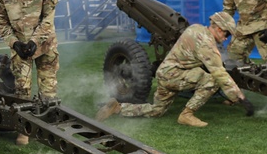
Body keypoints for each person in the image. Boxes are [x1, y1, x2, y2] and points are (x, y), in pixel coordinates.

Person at [96, 12, 253, 128]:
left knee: (157, 110)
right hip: (174, 76)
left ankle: (118, 107)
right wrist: (240, 97)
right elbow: (219, 72)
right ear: (219, 28)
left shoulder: (196, 28)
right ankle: (187, 115)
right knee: (212, 80)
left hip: (165, 73)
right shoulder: (207, 45)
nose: (226, 38)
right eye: (226, 34)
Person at [0, 0, 59, 145]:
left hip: (45, 45)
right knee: (22, 90)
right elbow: (2, 24)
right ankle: (24, 129)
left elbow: (48, 19)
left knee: (48, 88)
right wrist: (14, 43)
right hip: (20, 48)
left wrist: (35, 42)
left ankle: (49, 127)